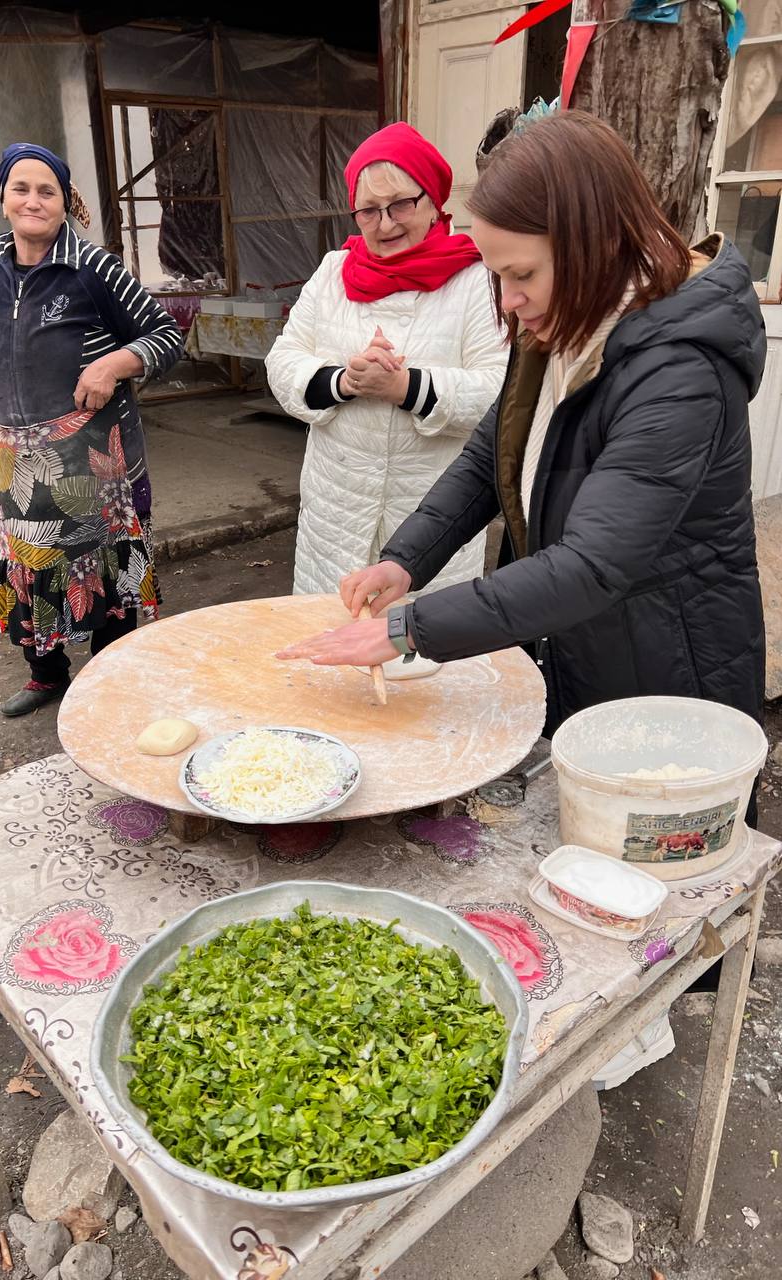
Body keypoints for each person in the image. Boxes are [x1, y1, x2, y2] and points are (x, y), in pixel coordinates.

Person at [278, 111, 767, 1086]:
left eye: (518, 275)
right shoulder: (564, 320)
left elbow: (589, 563)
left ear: (586, 243)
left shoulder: (676, 371)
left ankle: (618, 1070)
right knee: (580, 862)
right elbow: (485, 456)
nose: (503, 301)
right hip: (587, 643)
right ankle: (588, 1049)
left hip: (664, 663)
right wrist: (404, 561)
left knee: (645, 877)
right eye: (496, 275)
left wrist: (408, 634)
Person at [0, 143, 183, 717]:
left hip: (92, 458)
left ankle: (113, 681)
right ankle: (46, 675)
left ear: (63, 201)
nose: (33, 200)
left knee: (104, 571)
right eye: (21, 189)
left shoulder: (94, 267)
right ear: (3, 198)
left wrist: (112, 365)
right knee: (29, 566)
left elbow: (166, 335)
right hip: (16, 455)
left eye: (46, 190)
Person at [265, 122, 506, 597]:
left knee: (424, 654)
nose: (386, 223)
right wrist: (343, 382)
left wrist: (406, 388)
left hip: (432, 516)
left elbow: (501, 390)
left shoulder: (477, 279)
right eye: (368, 211)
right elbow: (283, 359)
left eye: (400, 204)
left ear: (434, 199)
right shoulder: (334, 272)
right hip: (335, 511)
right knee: (330, 643)